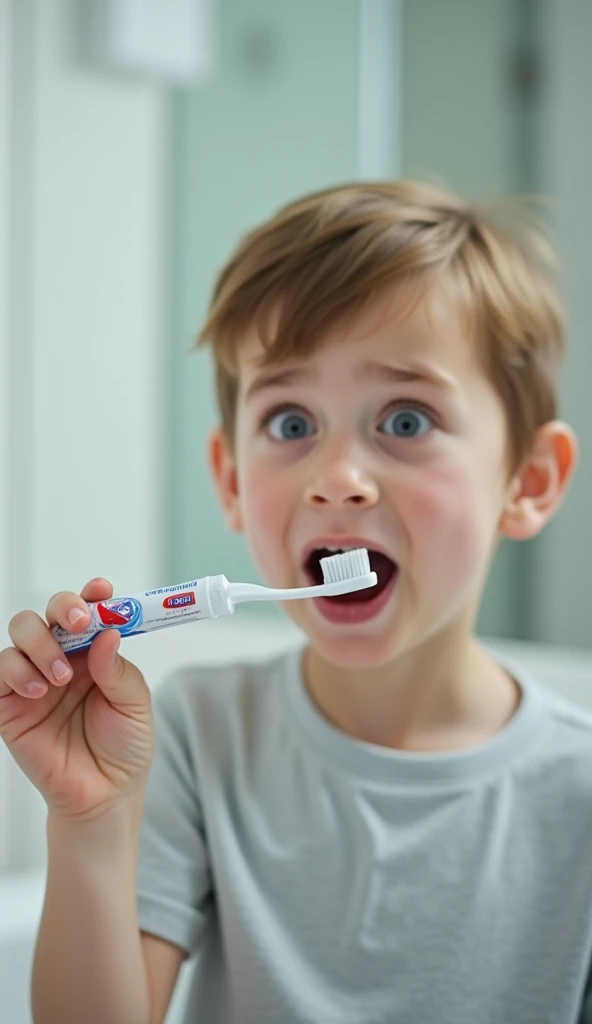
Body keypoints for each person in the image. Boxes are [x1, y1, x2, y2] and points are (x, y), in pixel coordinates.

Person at [0, 179, 588, 1024]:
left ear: (527, 482)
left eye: (408, 420)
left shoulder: (579, 797)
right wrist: (89, 824)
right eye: (289, 424)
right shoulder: (196, 738)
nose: (337, 480)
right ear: (231, 480)